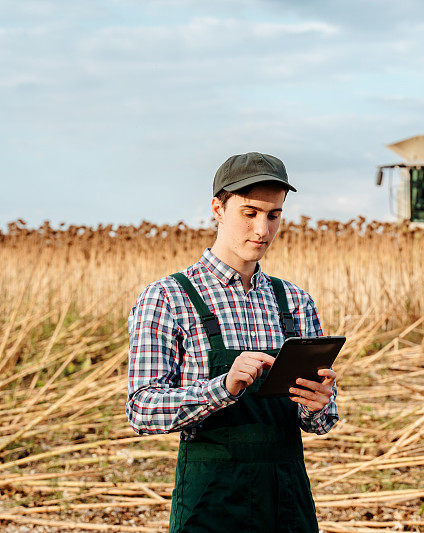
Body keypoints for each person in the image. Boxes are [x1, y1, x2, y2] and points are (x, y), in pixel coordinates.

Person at [126, 152, 338, 533]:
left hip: (287, 503)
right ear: (218, 209)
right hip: (211, 505)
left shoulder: (294, 301)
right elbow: (142, 410)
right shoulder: (169, 298)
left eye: (274, 215)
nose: (262, 229)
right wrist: (221, 389)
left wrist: (318, 405)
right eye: (249, 212)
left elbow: (322, 422)